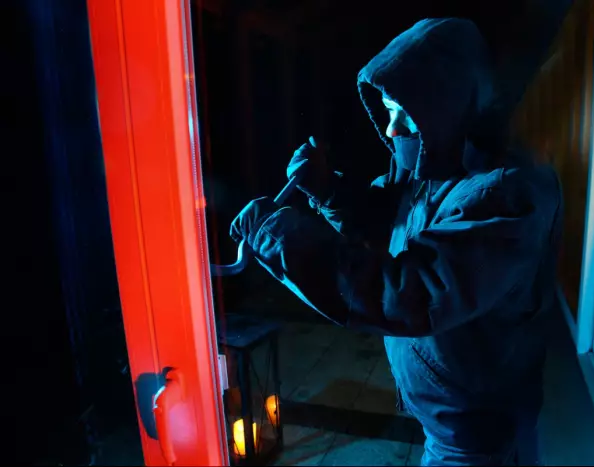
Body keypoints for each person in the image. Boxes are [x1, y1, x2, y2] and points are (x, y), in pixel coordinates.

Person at [230, 18, 563, 466]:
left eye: (404, 112)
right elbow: (388, 219)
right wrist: (328, 190)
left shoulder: (507, 193)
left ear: (447, 103)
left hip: (479, 440)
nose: (390, 129)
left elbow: (410, 293)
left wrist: (277, 235)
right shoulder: (438, 161)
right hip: (449, 421)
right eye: (388, 110)